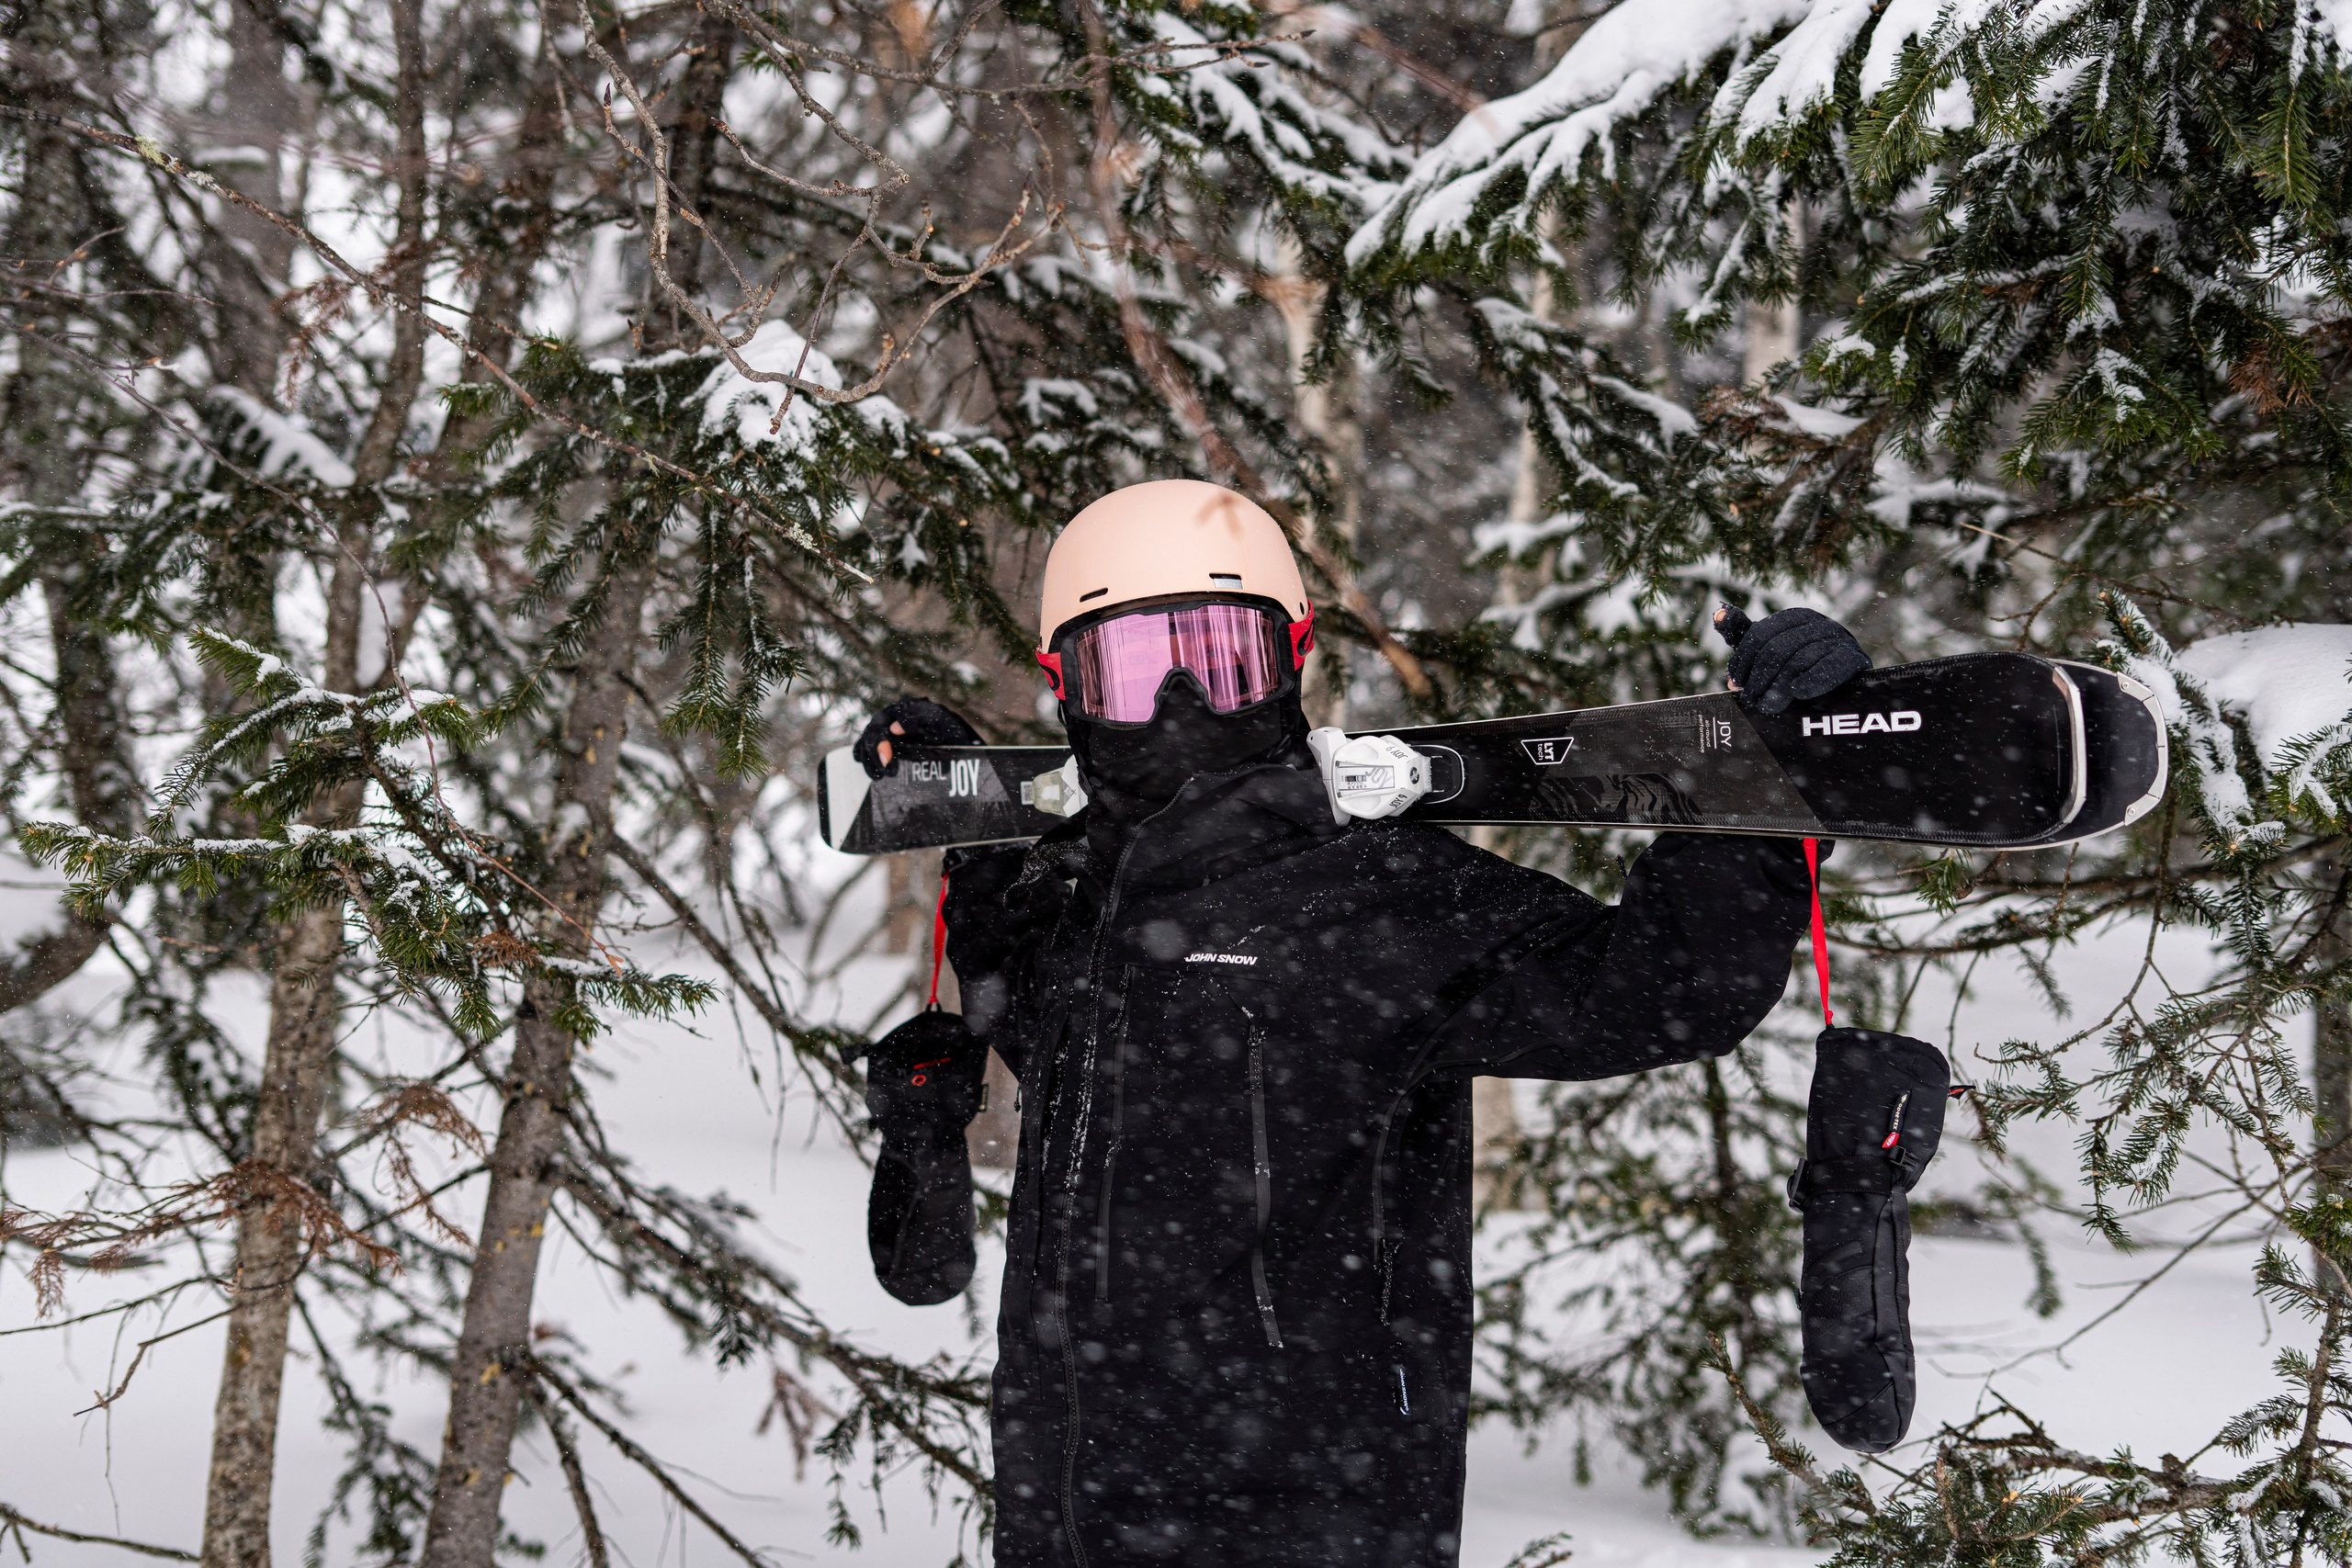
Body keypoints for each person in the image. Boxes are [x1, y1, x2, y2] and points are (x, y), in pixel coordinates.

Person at [851, 479, 1871, 1566]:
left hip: (1307, 1509)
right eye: (1136, 671)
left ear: (1289, 659)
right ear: (1069, 692)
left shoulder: (1384, 896)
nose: (1186, 704)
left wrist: (1757, 796)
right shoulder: (1072, 900)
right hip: (1062, 1497)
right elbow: (1019, 993)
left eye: (1225, 657)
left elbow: (1660, 990)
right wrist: (968, 815)